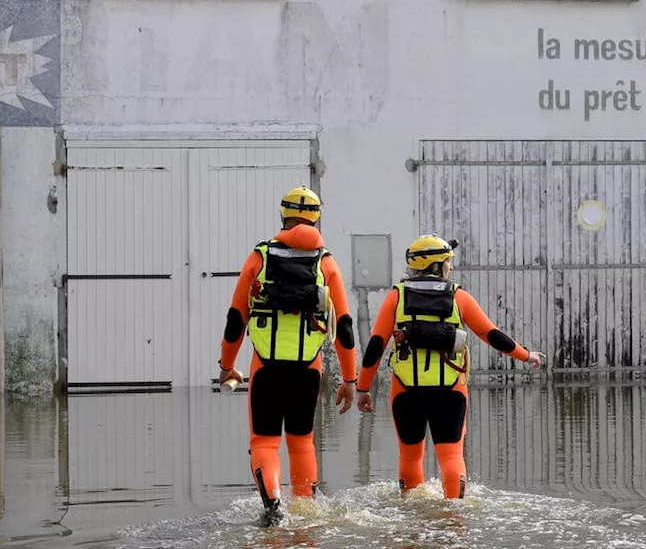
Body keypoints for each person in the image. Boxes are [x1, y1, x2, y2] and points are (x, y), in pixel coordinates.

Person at [355, 234, 545, 499]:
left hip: (406, 391)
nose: (451, 267)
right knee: (452, 455)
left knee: (410, 456)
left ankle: (411, 516)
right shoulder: (459, 297)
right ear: (435, 265)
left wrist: (363, 388)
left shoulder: (395, 297)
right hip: (451, 391)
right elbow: (492, 334)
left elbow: (375, 345)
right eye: (448, 261)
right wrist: (526, 355)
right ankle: (455, 520)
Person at [217, 186, 359, 526]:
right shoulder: (327, 263)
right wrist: (350, 379)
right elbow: (345, 326)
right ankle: (305, 510)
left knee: (264, 442)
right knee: (302, 442)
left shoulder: (259, 258)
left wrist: (226, 366)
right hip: (308, 369)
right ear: (316, 218)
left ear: (282, 215)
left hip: (264, 367)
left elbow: (236, 318)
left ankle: (274, 506)